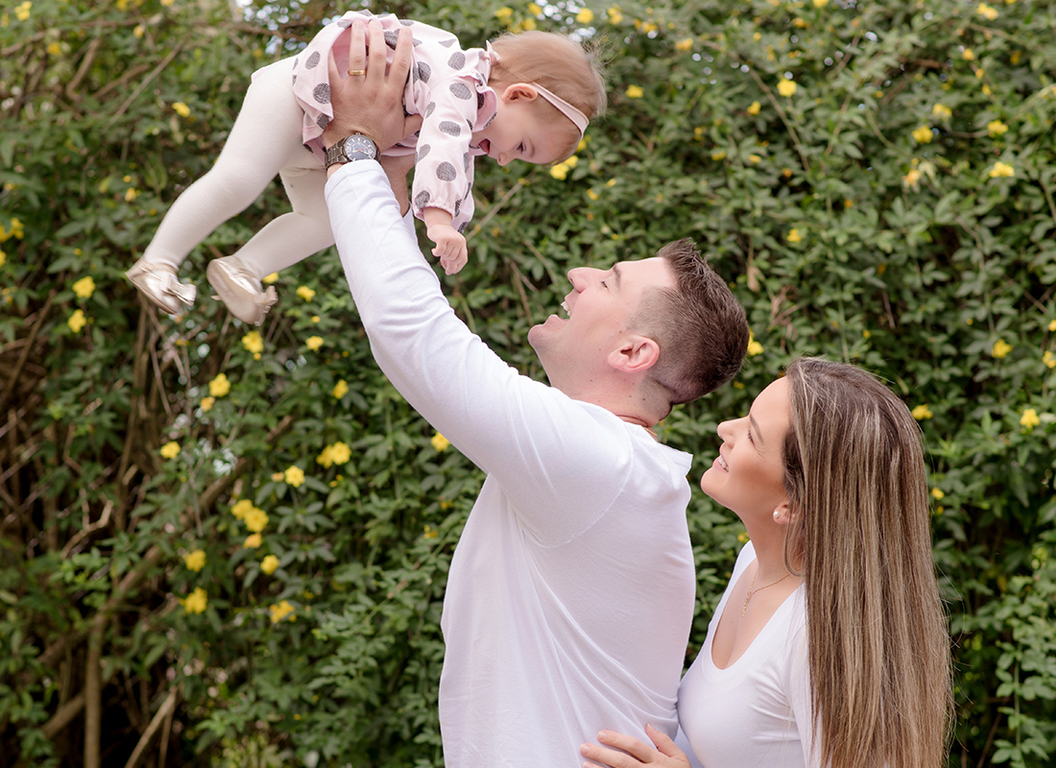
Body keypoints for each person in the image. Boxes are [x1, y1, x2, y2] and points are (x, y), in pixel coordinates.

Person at [319, 19, 750, 767]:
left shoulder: (598, 462)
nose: (580, 275)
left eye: (608, 281)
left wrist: (354, 149)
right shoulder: (618, 472)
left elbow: (413, 333)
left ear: (633, 352)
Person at [579, 358, 954, 768]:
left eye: (752, 436)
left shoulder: (815, 635)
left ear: (793, 504)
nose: (725, 428)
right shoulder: (754, 564)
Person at [126, 9, 605, 324]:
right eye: (521, 146)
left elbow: (455, 167)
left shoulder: (475, 115)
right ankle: (158, 262)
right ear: (517, 94)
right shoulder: (461, 83)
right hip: (295, 97)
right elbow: (442, 148)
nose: (503, 158)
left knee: (325, 221)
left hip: (321, 139)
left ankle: (243, 268)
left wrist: (449, 229)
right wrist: (440, 222)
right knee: (239, 178)